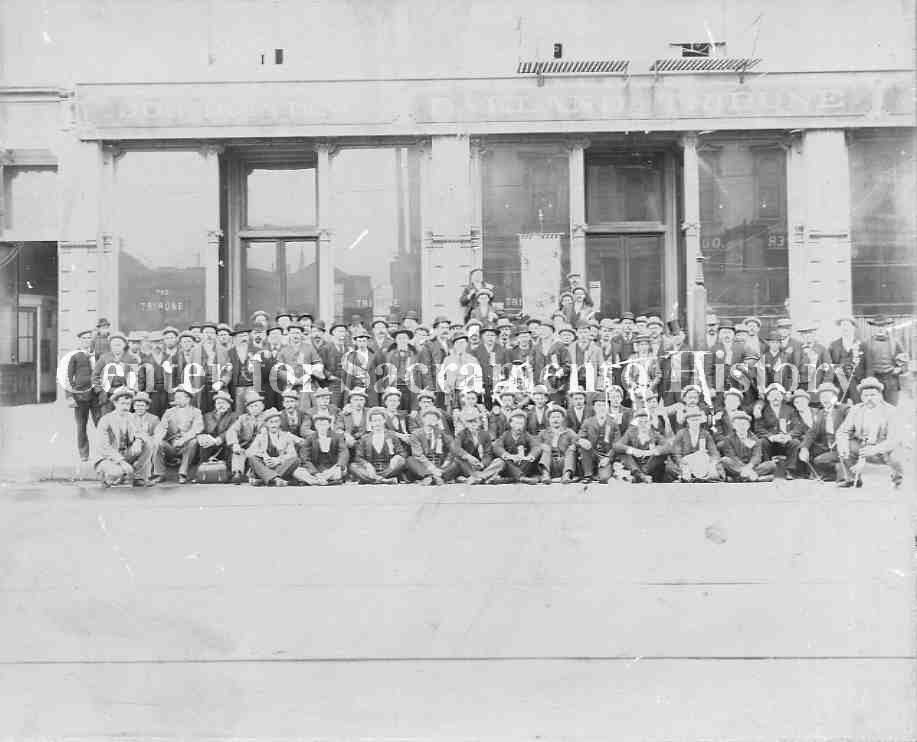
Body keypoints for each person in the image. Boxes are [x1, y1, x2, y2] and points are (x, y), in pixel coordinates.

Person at [835, 376, 904, 488]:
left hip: (884, 448)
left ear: (880, 395)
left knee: (897, 454)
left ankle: (898, 479)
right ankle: (852, 478)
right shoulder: (856, 410)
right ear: (861, 397)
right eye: (866, 395)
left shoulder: (891, 411)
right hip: (862, 446)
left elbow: (893, 439)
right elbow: (842, 431)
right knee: (845, 445)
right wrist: (843, 446)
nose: (869, 398)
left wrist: (875, 449)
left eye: (873, 395)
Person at [94, 387, 153, 487]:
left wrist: (138, 441)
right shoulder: (106, 420)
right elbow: (103, 447)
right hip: (107, 458)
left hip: (125, 453)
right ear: (115, 403)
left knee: (148, 444)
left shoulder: (132, 417)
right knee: (117, 472)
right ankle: (108, 478)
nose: (125, 407)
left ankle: (138, 477)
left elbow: (141, 432)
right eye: (122, 403)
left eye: (128, 404)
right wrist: (122, 462)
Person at [151, 384, 204, 484]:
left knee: (193, 442)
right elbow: (162, 427)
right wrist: (158, 437)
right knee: (158, 443)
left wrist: (183, 440)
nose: (176, 400)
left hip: (186, 445)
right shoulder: (169, 412)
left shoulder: (196, 412)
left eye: (179, 397)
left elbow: (197, 428)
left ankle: (182, 473)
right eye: (175, 397)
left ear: (187, 399)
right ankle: (159, 474)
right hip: (171, 445)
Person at [799, 382, 848, 481]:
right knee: (809, 450)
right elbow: (812, 432)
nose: (825, 400)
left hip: (844, 447)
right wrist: (804, 448)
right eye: (822, 397)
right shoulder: (821, 413)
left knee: (820, 460)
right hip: (827, 447)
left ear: (835, 397)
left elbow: (853, 425)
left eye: (828, 396)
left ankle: (841, 469)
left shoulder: (844, 409)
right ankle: (834, 472)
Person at [349, 407, 407, 484]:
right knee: (353, 466)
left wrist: (396, 457)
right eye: (374, 421)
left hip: (388, 467)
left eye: (379, 420)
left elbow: (402, 453)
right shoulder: (365, 438)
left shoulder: (391, 435)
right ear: (371, 423)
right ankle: (384, 480)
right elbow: (358, 457)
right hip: (371, 467)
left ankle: (372, 478)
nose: (377, 423)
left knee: (401, 462)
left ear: (384, 420)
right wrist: (367, 465)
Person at [67, 328, 100, 461]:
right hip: (80, 396)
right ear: (80, 340)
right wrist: (69, 396)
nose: (87, 340)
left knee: (100, 423)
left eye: (89, 338)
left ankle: (103, 452)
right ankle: (84, 454)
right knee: (81, 425)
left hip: (96, 395)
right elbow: (67, 377)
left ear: (92, 340)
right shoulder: (74, 355)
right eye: (84, 338)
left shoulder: (97, 354)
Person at [753, 383, 799, 477]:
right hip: (771, 442)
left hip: (785, 441)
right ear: (768, 397)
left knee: (795, 442)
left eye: (778, 395)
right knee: (762, 442)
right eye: (772, 395)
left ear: (782, 397)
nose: (775, 398)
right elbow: (758, 428)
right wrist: (771, 437)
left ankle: (790, 470)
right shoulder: (763, 411)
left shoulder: (790, 410)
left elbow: (797, 427)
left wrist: (789, 436)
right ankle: (768, 468)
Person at [666, 409, 724, 482]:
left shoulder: (705, 434)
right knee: (670, 467)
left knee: (714, 466)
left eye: (697, 420)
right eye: (692, 420)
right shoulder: (681, 433)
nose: (695, 423)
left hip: (702, 462)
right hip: (686, 462)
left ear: (700, 421)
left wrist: (713, 462)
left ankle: (703, 477)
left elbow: (714, 451)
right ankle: (689, 477)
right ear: (688, 421)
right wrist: (681, 463)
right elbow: (676, 453)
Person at [246, 408, 300, 486]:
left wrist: (278, 460)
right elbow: (249, 452)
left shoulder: (286, 436)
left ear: (280, 422)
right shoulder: (261, 436)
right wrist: (264, 457)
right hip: (264, 466)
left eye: (276, 422)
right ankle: (275, 479)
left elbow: (293, 454)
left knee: (296, 460)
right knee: (252, 458)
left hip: (279, 467)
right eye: (271, 422)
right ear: (266, 424)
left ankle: (265, 479)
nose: (274, 425)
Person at [293, 411, 349, 485]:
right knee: (297, 472)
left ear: (329, 425)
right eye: (319, 424)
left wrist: (338, 466)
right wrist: (316, 473)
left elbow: (344, 452)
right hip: (315, 468)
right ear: (315, 426)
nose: (322, 427)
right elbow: (305, 458)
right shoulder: (310, 438)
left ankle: (315, 481)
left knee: (339, 472)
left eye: (324, 424)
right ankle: (321, 480)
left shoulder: (337, 437)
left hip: (332, 468)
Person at [451, 407, 504, 484]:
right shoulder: (461, 434)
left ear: (479, 422)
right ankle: (482, 477)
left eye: (475, 421)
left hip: (482, 465)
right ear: (466, 424)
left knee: (500, 461)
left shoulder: (485, 434)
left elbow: (488, 453)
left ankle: (478, 477)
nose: (473, 424)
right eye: (469, 422)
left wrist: (483, 464)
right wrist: (468, 457)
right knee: (458, 459)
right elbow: (456, 447)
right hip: (468, 466)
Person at [863, 315, 908, 406]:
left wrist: (900, 369)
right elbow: (863, 363)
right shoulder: (867, 343)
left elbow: (905, 361)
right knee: (874, 407)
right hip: (874, 380)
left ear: (887, 327)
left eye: (883, 326)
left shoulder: (895, 342)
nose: (880, 329)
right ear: (873, 327)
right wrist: (868, 379)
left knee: (891, 408)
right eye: (877, 326)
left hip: (891, 380)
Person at [719, 410, 775, 482]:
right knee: (725, 460)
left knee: (771, 464)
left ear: (748, 425)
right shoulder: (728, 439)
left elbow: (757, 456)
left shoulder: (755, 439)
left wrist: (749, 467)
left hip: (751, 466)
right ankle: (754, 477)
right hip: (736, 466)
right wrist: (743, 468)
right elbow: (732, 456)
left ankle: (739, 478)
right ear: (733, 426)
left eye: (744, 424)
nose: (741, 427)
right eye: (738, 424)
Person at [574, 395, 619, 483]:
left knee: (604, 478)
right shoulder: (588, 422)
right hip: (592, 453)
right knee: (584, 446)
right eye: (598, 405)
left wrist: (608, 458)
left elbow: (617, 444)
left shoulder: (613, 422)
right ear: (594, 407)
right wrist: (582, 441)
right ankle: (588, 474)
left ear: (608, 407)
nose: (601, 408)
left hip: (605, 455)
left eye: (604, 405)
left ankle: (603, 470)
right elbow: (578, 438)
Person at [613, 409, 667, 483]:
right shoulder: (631, 432)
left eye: (646, 422)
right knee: (623, 453)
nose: (643, 425)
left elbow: (668, 446)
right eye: (640, 422)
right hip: (635, 464)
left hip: (649, 465)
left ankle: (640, 475)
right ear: (637, 423)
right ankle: (641, 476)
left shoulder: (654, 433)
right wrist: (633, 450)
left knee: (661, 453)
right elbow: (616, 446)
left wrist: (652, 452)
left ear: (649, 423)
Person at [407, 407, 458, 484]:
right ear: (423, 419)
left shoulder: (440, 432)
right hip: (424, 465)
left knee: (456, 461)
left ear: (437, 421)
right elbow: (418, 454)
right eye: (428, 418)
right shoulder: (416, 434)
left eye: (434, 419)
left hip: (439, 464)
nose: (431, 421)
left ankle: (434, 477)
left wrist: (447, 461)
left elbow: (452, 446)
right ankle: (431, 476)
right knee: (410, 460)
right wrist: (431, 468)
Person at [225, 390, 266, 484]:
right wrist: (235, 444)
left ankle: (253, 475)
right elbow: (232, 430)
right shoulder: (243, 418)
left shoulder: (266, 418)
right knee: (238, 452)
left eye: (256, 406)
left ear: (262, 407)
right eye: (251, 406)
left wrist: (253, 449)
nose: (254, 409)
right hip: (244, 446)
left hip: (260, 447)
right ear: (248, 409)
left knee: (255, 455)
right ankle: (237, 473)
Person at [193, 390, 238, 469]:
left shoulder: (234, 416)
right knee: (203, 444)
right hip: (209, 443)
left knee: (231, 445)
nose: (221, 405)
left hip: (224, 443)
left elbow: (231, 430)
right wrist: (201, 437)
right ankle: (202, 469)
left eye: (224, 403)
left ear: (229, 405)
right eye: (218, 403)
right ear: (215, 405)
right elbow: (200, 429)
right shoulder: (207, 416)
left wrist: (219, 439)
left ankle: (227, 470)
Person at [828, 316, 865, 404]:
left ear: (853, 327)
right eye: (842, 326)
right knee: (839, 405)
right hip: (839, 381)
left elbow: (868, 365)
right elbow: (829, 365)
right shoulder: (833, 345)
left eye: (847, 325)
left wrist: (865, 381)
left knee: (858, 404)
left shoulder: (862, 345)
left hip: (856, 381)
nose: (845, 328)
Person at [538, 405, 577, 483]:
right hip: (549, 463)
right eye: (553, 417)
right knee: (546, 449)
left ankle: (567, 475)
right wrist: (541, 446)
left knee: (571, 451)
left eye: (558, 417)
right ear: (549, 419)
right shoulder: (543, 433)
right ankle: (545, 475)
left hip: (564, 462)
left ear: (562, 419)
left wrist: (574, 445)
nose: (555, 420)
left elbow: (577, 441)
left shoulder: (569, 432)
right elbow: (535, 445)